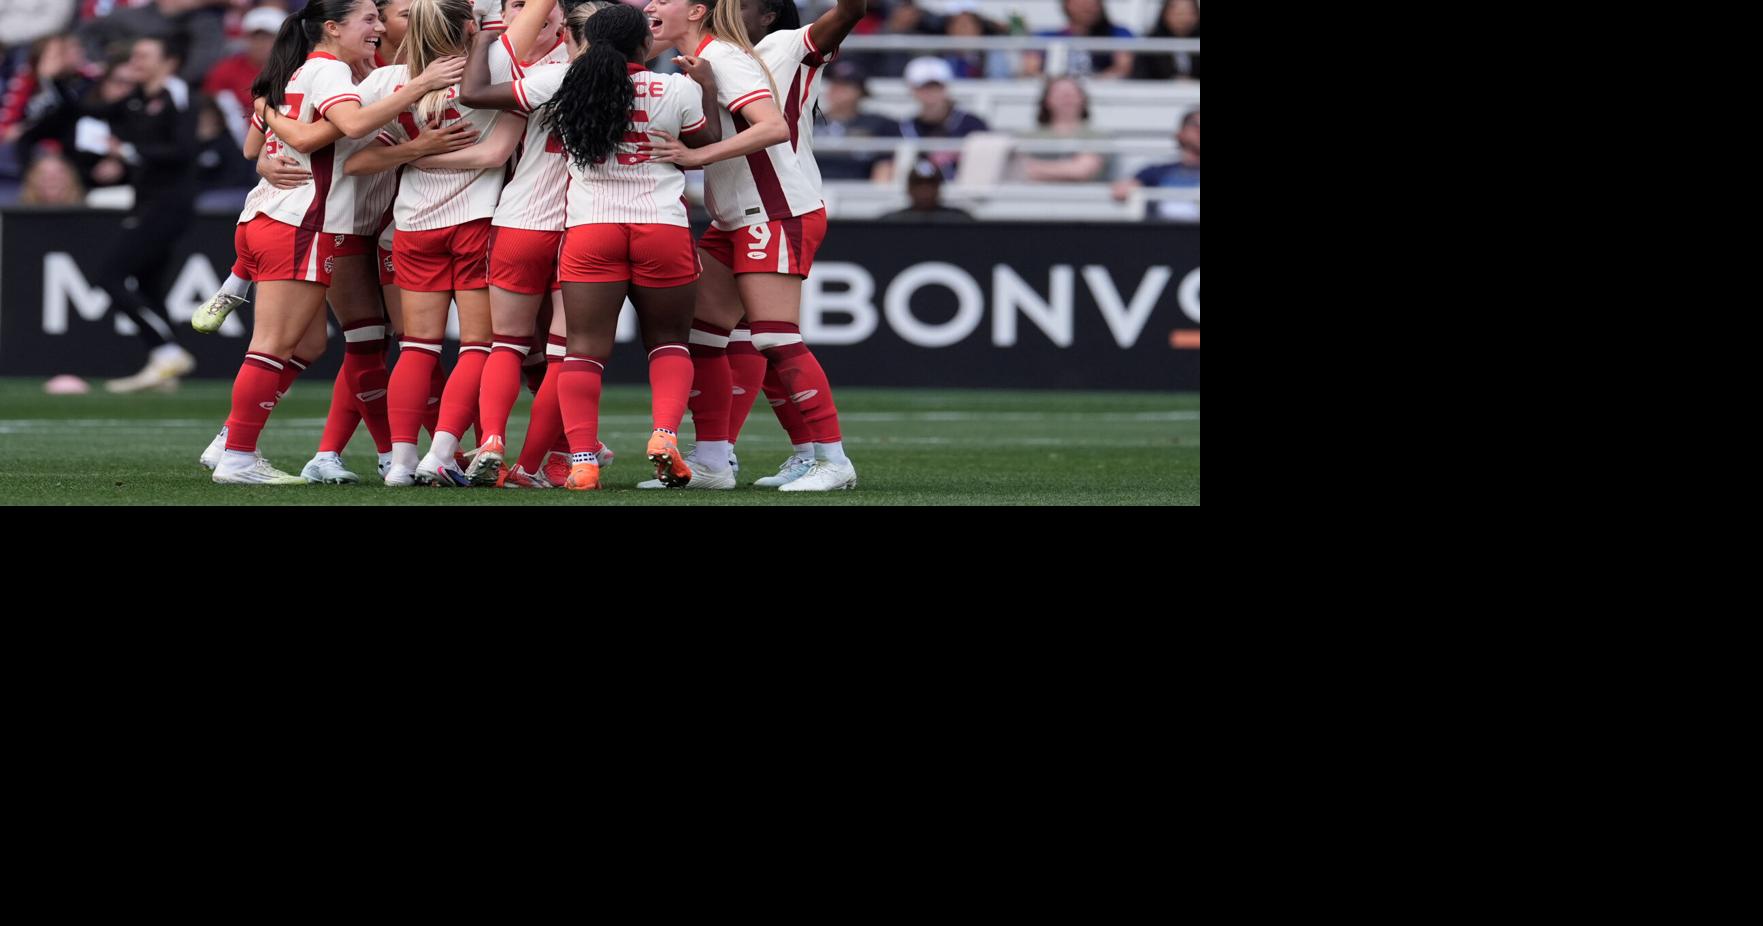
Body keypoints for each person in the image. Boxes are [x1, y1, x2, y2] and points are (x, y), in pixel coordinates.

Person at [90, 34, 201, 394]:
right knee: (150, 285)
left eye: (143, 54)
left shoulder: (176, 94)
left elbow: (184, 151)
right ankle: (164, 366)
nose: (134, 60)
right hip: (146, 200)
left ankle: (166, 350)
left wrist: (129, 151)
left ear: (168, 62)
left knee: (110, 273)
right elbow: (90, 113)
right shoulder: (136, 98)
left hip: (168, 204)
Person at [1111, 107, 1198, 221]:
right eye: (1195, 125)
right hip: (1162, 233)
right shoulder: (1157, 172)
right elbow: (1119, 193)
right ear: (1180, 133)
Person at [1014, 75, 1105, 183]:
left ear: (1083, 98)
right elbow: (1017, 170)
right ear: (1047, 100)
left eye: (1072, 92)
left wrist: (1036, 168)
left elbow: (1081, 171)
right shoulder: (1028, 136)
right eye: (1059, 92)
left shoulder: (1096, 136)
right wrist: (1068, 168)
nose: (1066, 97)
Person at [878, 156, 970, 221]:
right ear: (909, 189)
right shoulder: (891, 222)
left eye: (930, 184)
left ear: (938, 188)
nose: (924, 190)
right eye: (918, 184)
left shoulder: (958, 220)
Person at [1131, 0, 1199, 81]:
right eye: (1178, 13)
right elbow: (1141, 77)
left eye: (1189, 13)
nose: (1183, 19)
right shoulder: (1151, 44)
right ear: (1165, 14)